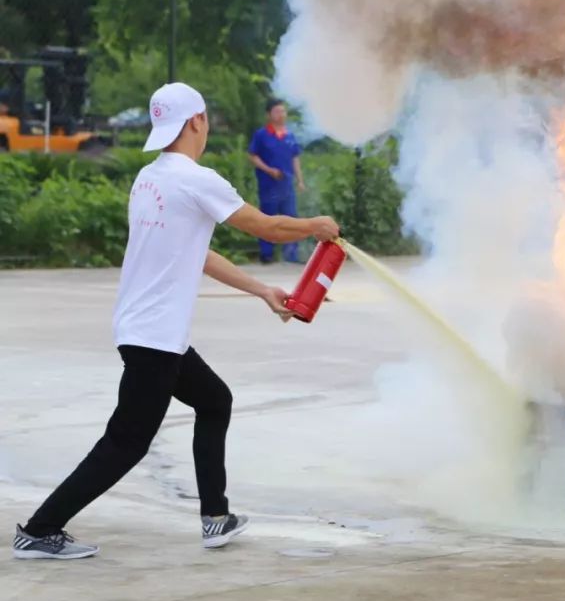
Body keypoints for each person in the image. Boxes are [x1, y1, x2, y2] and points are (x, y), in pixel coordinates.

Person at [11, 83, 339, 560]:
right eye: (204, 120)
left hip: (150, 331)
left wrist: (264, 290)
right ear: (196, 122)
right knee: (126, 443)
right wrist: (315, 226)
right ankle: (40, 529)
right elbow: (266, 226)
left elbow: (198, 253)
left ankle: (215, 517)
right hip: (155, 337)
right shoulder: (196, 179)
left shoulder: (149, 180)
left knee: (215, 401)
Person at [248, 99, 306, 264]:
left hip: (287, 184)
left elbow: (295, 159)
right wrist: (269, 170)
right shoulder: (262, 135)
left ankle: (291, 254)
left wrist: (300, 180)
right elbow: (253, 156)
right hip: (268, 184)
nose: (281, 114)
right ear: (269, 114)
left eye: (283, 111)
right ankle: (267, 254)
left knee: (291, 218)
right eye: (277, 111)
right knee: (267, 218)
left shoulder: (290, 135)